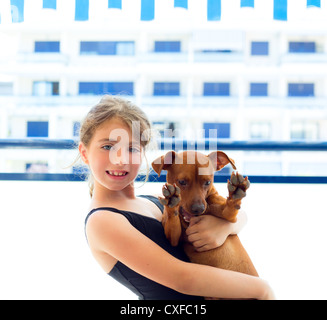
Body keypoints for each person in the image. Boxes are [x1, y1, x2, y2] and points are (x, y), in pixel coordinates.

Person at [80, 95, 275, 300]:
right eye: (107, 147)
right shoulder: (102, 221)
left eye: (132, 148)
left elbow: (238, 214)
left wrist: (225, 227)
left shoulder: (155, 199)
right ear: (84, 153)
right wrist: (262, 290)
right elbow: (183, 279)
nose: (119, 159)